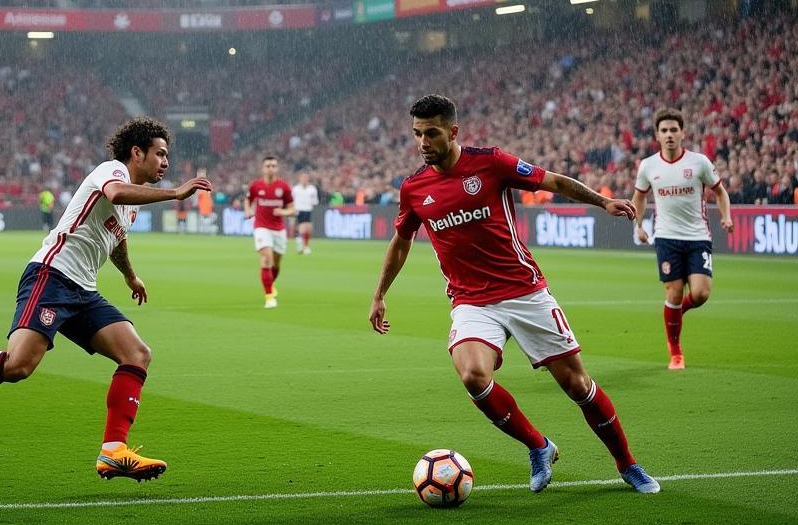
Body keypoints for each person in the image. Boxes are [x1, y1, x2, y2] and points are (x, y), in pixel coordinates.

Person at [0, 117, 212, 482]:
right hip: (51, 275)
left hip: (83, 290)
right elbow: (116, 194)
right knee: (16, 367)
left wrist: (129, 275)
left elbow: (117, 239)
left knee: (137, 353)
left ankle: (113, 451)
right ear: (137, 153)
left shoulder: (132, 203)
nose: (166, 162)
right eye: (160, 154)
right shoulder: (112, 171)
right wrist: (176, 193)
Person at [368, 95, 659, 495]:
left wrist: (602, 200)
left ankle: (627, 464)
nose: (422, 141)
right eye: (417, 133)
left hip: (524, 292)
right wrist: (380, 293)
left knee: (577, 385)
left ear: (453, 132)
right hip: (471, 301)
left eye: (431, 132)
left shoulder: (491, 163)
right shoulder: (414, 188)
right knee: (473, 375)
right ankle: (539, 446)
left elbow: (551, 180)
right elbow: (401, 241)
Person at [631, 107, 733, 370]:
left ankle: (677, 311)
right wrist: (638, 226)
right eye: (664, 130)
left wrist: (726, 216)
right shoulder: (648, 166)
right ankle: (675, 352)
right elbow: (640, 196)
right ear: (657, 135)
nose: (669, 135)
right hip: (666, 237)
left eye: (673, 130)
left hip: (698, 236)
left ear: (683, 133)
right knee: (674, 293)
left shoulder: (698, 162)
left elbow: (720, 192)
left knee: (700, 294)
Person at [245, 155, 294, 309]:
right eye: (268, 166)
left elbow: (292, 209)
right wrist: (248, 210)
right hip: (261, 227)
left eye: (273, 165)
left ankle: (270, 284)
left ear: (277, 168)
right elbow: (248, 200)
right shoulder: (256, 186)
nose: (271, 168)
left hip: (279, 229)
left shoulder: (284, 187)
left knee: (276, 264)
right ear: (263, 168)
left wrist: (283, 212)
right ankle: (269, 297)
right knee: (266, 259)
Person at [291, 171, 319, 254]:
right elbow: (291, 200)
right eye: (303, 177)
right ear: (300, 178)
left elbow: (315, 201)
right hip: (298, 210)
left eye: (306, 177)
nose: (304, 179)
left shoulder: (312, 189)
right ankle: (300, 244)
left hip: (308, 210)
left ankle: (305, 246)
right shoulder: (295, 189)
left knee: (308, 228)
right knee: (300, 228)